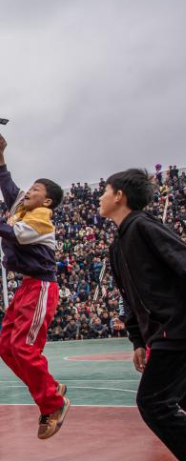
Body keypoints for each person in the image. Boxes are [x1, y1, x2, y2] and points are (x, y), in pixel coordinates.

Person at [0, 133, 69, 439]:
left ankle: (52, 403)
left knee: (25, 348)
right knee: (5, 348)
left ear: (47, 200)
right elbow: (9, 185)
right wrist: (0, 156)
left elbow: (13, 234)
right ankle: (50, 390)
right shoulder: (24, 208)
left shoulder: (41, 219)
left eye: (35, 189)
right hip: (26, 286)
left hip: (41, 286)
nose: (27, 191)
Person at [100, 168, 186, 460]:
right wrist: (138, 340)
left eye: (106, 191)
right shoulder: (117, 246)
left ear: (120, 196)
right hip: (161, 334)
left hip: (176, 331)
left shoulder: (144, 227)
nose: (101, 196)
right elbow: (129, 298)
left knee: (154, 403)